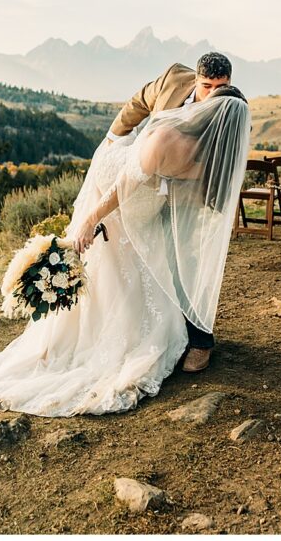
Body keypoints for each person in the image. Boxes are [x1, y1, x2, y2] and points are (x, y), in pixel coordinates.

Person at [0, 87, 250, 417]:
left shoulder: (172, 139)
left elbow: (127, 185)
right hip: (128, 193)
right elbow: (168, 191)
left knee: (117, 273)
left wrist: (92, 219)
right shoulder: (210, 157)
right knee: (115, 274)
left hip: (123, 196)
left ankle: (110, 338)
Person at [105, 51, 233, 371]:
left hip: (185, 197)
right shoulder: (174, 77)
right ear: (195, 79)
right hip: (146, 188)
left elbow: (216, 168)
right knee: (133, 255)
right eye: (207, 86)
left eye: (221, 86)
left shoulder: (230, 109)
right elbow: (139, 102)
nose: (213, 94)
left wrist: (178, 173)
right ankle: (152, 331)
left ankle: (201, 342)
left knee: (181, 263)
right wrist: (115, 136)